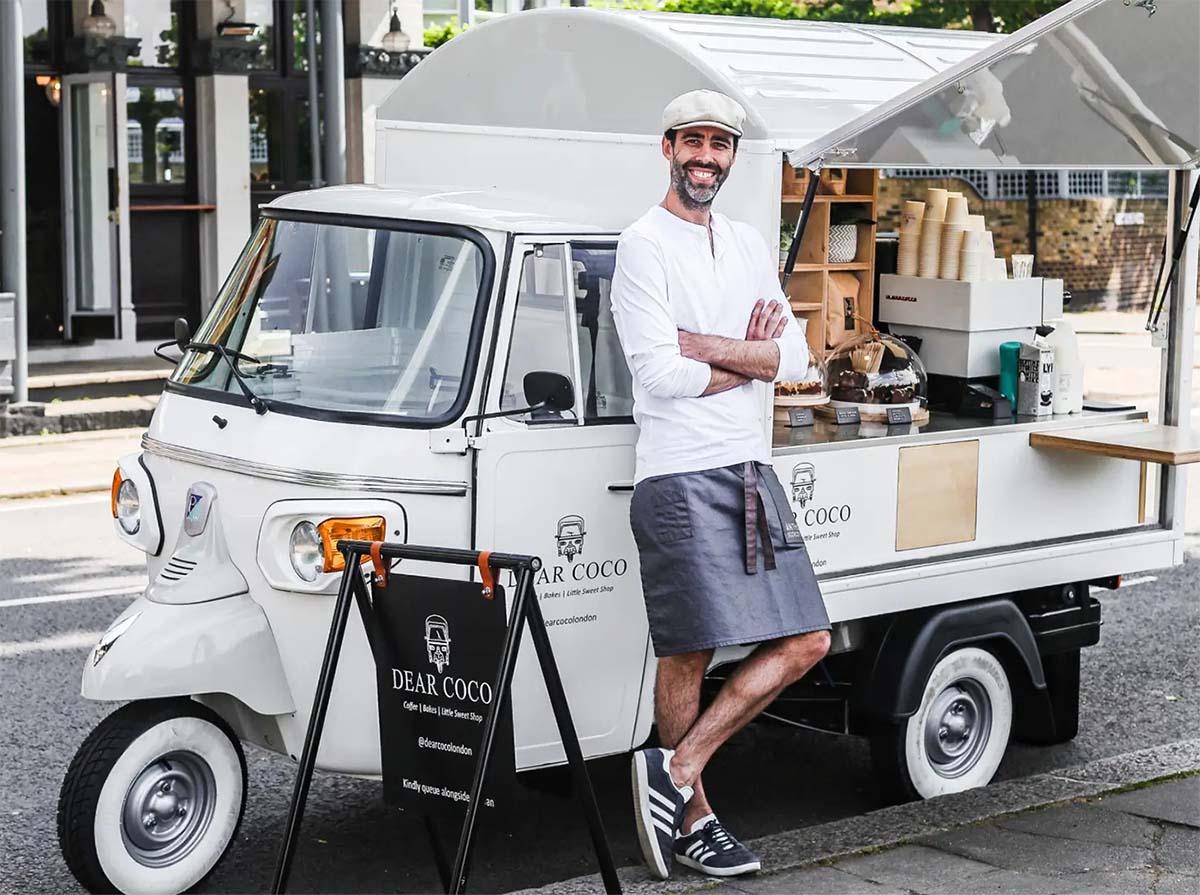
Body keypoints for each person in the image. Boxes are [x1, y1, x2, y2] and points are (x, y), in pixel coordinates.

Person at [610, 89, 832, 880]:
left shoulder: (744, 243)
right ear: (666, 147)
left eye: (721, 144)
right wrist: (749, 359)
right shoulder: (642, 247)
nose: (706, 156)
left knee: (808, 637)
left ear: (732, 157)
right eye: (693, 141)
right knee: (686, 653)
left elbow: (799, 361)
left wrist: (717, 347)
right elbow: (659, 374)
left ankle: (673, 767)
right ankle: (697, 820)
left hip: (749, 468)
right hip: (676, 473)